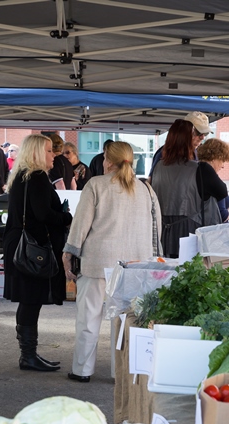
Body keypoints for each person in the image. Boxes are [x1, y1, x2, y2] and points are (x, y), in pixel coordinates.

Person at [62, 141, 160, 383]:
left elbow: (80, 225)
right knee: (126, 320)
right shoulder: (146, 189)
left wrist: (68, 253)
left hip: (98, 261)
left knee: (89, 317)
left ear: (108, 160)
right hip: (135, 265)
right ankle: (122, 373)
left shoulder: (96, 184)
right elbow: (155, 228)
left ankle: (82, 370)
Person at [2, 134, 73, 372]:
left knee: (28, 299)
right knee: (31, 299)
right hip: (33, 248)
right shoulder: (37, 177)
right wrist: (66, 217)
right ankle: (28, 355)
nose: (54, 155)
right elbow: (44, 215)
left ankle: (28, 354)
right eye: (50, 151)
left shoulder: (21, 176)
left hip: (20, 244)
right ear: (37, 153)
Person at [149, 112, 214, 258]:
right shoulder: (163, 155)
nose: (202, 138)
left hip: (185, 223)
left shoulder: (193, 154)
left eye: (204, 134)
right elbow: (153, 182)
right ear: (186, 132)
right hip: (172, 223)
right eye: (198, 133)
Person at [197, 138, 229, 222]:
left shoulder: (197, 169)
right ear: (215, 158)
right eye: (222, 161)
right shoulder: (210, 178)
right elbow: (222, 215)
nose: (223, 166)